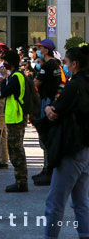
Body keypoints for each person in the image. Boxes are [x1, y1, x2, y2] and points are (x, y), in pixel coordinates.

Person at [43, 45, 89, 239]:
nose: (66, 66)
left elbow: (56, 111)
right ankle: (85, 233)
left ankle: (50, 236)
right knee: (80, 200)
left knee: (56, 201)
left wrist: (48, 110)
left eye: (67, 63)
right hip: (85, 147)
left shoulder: (75, 84)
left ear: (75, 64)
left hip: (71, 146)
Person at [0, 50, 29, 193]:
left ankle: (21, 181)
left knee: (16, 149)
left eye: (6, 62)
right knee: (15, 148)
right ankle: (20, 180)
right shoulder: (16, 75)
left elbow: (5, 91)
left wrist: (4, 79)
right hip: (14, 116)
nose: (4, 64)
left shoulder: (15, 76)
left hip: (16, 117)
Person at [33, 38, 63, 186]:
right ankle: (47, 169)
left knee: (45, 136)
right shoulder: (56, 64)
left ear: (47, 50)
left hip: (46, 102)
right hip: (53, 101)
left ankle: (48, 170)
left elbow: (36, 83)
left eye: (40, 47)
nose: (38, 49)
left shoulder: (47, 66)